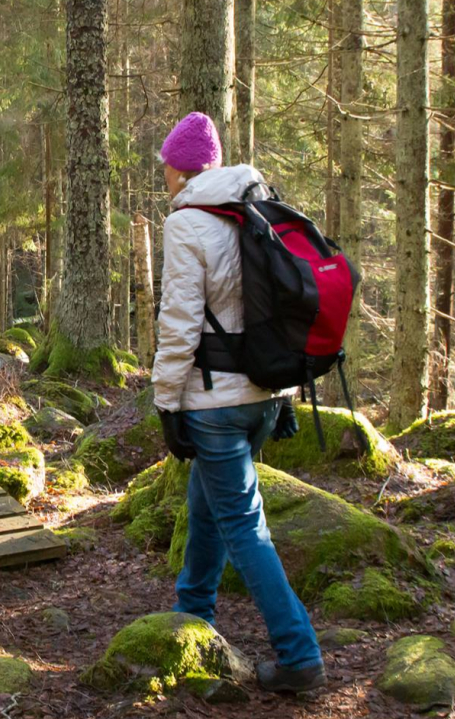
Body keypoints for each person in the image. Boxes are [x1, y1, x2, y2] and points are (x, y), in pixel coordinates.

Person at [151, 112, 325, 694]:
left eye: (167, 168)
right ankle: (193, 615)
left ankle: (300, 655)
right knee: (210, 506)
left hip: (215, 402)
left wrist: (166, 404)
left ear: (180, 169)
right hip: (264, 394)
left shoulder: (186, 225)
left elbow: (178, 325)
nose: (166, 178)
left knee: (245, 527)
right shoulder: (257, 208)